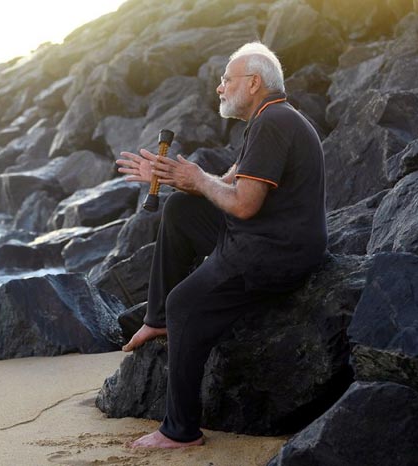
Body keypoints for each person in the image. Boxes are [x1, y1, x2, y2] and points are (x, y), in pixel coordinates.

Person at [115, 41, 327, 449]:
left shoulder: (274, 122)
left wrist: (197, 179)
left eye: (227, 79)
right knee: (181, 208)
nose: (219, 87)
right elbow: (231, 182)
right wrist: (177, 178)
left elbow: (244, 206)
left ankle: (180, 431)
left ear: (252, 83)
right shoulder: (271, 119)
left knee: (187, 305)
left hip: (273, 252)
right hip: (272, 236)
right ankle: (157, 318)